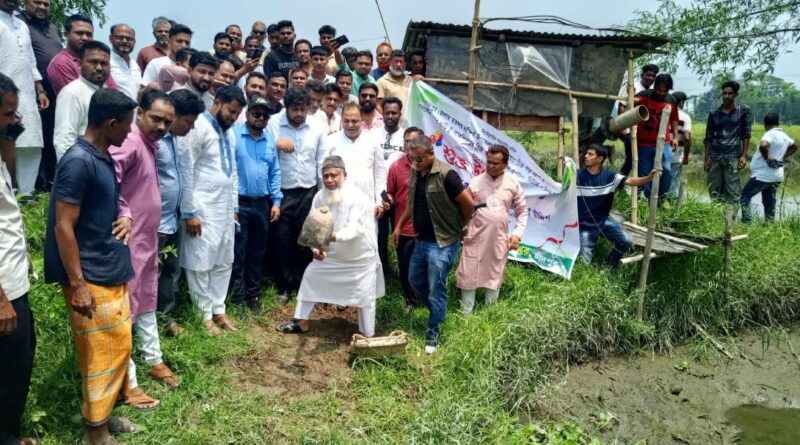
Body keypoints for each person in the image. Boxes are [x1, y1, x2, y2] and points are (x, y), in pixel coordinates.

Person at [43, 88, 140, 445]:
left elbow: (110, 205)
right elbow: (62, 226)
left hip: (108, 265)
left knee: (118, 346)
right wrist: (78, 285)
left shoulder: (101, 156)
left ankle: (105, 413)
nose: (130, 132)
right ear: (111, 123)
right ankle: (94, 432)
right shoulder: (78, 161)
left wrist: (125, 218)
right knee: (100, 352)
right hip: (89, 274)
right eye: (127, 126)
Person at [110, 90, 181, 404]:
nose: (162, 126)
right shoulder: (129, 142)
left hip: (147, 241)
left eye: (167, 121)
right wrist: (123, 212)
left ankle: (153, 360)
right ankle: (128, 381)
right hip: (127, 242)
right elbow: (107, 180)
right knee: (126, 309)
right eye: (156, 118)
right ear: (140, 113)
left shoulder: (151, 144)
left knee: (147, 301)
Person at [275, 155, 384, 336]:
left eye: (334, 175)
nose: (330, 180)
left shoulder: (358, 198)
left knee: (365, 297)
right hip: (331, 256)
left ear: (345, 175)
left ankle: (368, 335)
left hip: (360, 258)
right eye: (325, 176)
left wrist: (331, 237)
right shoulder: (319, 196)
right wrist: (316, 249)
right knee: (310, 275)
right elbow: (314, 226)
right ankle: (301, 321)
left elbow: (355, 230)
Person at [393, 134, 474, 354]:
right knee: (413, 279)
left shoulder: (448, 175)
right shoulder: (415, 172)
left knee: (436, 289)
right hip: (421, 240)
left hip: (443, 242)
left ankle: (433, 333)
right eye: (412, 158)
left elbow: (469, 204)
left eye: (419, 158)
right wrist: (400, 225)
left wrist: (461, 226)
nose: (414, 162)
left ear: (431, 154)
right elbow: (413, 204)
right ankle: (437, 311)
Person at [179, 85, 244, 335]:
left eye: (237, 114)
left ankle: (219, 309)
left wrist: (235, 207)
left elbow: (233, 172)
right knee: (200, 262)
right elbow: (186, 169)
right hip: (202, 208)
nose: (233, 117)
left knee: (223, 261)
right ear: (216, 103)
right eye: (230, 111)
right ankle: (203, 315)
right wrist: (189, 211)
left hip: (225, 209)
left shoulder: (230, 133)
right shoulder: (198, 129)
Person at [0, 73, 37, 445]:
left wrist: (8, 137)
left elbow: (10, 184)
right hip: (2, 291)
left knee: (20, 361)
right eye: (9, 114)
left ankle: (9, 432)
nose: (16, 119)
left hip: (14, 280)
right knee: (9, 367)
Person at [266, 87, 327, 304]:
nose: (299, 113)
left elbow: (321, 161)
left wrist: (322, 195)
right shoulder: (273, 123)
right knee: (281, 240)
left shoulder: (318, 126)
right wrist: (275, 144)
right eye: (294, 109)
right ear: (287, 107)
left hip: (308, 191)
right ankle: (284, 286)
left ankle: (303, 284)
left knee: (305, 240)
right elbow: (264, 152)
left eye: (303, 109)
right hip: (282, 192)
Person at [156, 89, 205, 338]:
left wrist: (186, 211)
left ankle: (165, 320)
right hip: (153, 223)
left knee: (170, 272)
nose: (191, 127)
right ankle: (144, 327)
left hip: (172, 219)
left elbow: (181, 177)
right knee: (149, 276)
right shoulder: (151, 141)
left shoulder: (175, 140)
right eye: (189, 121)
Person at [456, 145, 528, 314]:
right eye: (488, 162)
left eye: (496, 163)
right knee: (469, 272)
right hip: (475, 237)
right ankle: (465, 315)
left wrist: (517, 234)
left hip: (499, 239)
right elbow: (463, 207)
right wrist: (462, 228)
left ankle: (491, 314)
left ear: (505, 164)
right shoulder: (475, 182)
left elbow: (523, 211)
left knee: (494, 273)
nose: (491, 166)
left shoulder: (513, 184)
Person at [230, 97, 282, 317]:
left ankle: (254, 296)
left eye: (265, 115)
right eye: (257, 114)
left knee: (257, 252)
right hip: (239, 204)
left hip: (262, 204)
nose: (261, 118)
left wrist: (276, 202)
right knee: (239, 252)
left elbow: (275, 172)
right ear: (247, 114)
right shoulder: (234, 136)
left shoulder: (269, 140)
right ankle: (238, 299)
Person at [577, 144, 656, 266]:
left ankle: (608, 266)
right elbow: (561, 188)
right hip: (584, 225)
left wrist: (649, 178)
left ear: (600, 159)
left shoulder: (610, 176)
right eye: (586, 154)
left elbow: (630, 181)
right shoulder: (577, 175)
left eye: (590, 154)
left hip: (603, 221)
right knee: (583, 264)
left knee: (626, 241)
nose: (586, 156)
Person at [0, 0, 47, 199]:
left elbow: (30, 60)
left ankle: (27, 195)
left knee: (31, 142)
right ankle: (6, 194)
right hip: (3, 96)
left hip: (27, 94)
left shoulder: (22, 25)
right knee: (6, 140)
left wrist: (40, 89)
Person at [17, 0, 63, 193]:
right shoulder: (18, 23)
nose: (42, 7)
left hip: (54, 93)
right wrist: (39, 89)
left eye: (46, 4)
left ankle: (51, 184)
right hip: (29, 92)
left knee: (52, 136)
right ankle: (36, 187)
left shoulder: (53, 27)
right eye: (37, 2)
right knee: (33, 139)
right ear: (26, 3)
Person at [53, 40, 114, 161]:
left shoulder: (107, 93)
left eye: (104, 63)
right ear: (80, 64)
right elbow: (64, 140)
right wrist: (73, 173)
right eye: (93, 62)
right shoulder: (73, 92)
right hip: (83, 169)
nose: (99, 68)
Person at [326, 102, 386, 216]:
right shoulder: (331, 141)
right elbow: (324, 174)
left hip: (367, 205)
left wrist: (379, 202)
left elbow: (380, 174)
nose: (350, 125)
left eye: (354, 121)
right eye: (346, 121)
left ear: (362, 119)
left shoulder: (373, 142)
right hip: (338, 204)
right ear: (341, 120)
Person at [386, 127, 422, 311]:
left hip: (426, 229)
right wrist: (388, 200)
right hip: (404, 227)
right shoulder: (396, 167)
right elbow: (391, 192)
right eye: (406, 141)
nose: (409, 145)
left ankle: (426, 299)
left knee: (427, 266)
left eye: (413, 141)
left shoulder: (431, 166)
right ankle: (410, 300)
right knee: (405, 265)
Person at [741, 112, 798, 223]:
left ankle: (746, 222)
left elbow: (763, 145)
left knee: (745, 195)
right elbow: (795, 146)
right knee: (769, 200)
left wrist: (768, 158)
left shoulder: (769, 134)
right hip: (776, 176)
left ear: (765, 124)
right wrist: (782, 157)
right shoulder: (784, 135)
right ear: (778, 123)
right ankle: (769, 223)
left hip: (763, 175)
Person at [704, 80, 753, 205]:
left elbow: (746, 134)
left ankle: (730, 222)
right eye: (724, 93)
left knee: (733, 192)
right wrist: (706, 159)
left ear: (736, 94)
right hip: (715, 156)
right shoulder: (714, 114)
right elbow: (708, 137)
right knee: (714, 191)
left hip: (733, 156)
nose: (726, 96)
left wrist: (744, 155)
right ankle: (718, 220)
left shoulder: (743, 111)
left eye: (730, 93)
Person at [47, 14, 119, 96]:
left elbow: (114, 91)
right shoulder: (60, 63)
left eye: (89, 34)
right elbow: (78, 96)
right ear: (66, 35)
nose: (85, 38)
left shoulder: (99, 61)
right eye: (79, 33)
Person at [633, 73, 678, 199]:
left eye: (665, 91)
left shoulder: (671, 100)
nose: (662, 93)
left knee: (666, 169)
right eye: (659, 90)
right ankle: (647, 198)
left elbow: (674, 119)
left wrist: (675, 137)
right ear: (655, 86)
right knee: (645, 172)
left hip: (664, 142)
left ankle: (662, 196)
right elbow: (631, 103)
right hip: (644, 143)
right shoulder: (644, 96)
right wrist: (630, 95)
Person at [374, 96, 405, 276]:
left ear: (400, 114)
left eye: (394, 113)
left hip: (400, 197)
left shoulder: (406, 136)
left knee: (401, 236)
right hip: (378, 195)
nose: (391, 116)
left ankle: (403, 272)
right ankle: (381, 271)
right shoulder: (371, 136)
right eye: (387, 113)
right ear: (382, 114)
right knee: (379, 235)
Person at [140, 23, 193, 90]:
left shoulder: (194, 67)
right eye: (179, 41)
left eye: (187, 43)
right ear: (169, 41)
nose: (183, 45)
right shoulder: (155, 64)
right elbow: (141, 94)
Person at [668, 91, 691, 199]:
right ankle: (671, 207)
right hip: (676, 156)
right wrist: (686, 156)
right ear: (681, 102)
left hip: (661, 154)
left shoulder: (665, 113)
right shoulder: (685, 117)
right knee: (674, 183)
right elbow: (687, 137)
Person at [109, 23, 142, 101]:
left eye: (129, 39)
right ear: (111, 39)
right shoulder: (106, 61)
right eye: (120, 37)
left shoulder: (135, 65)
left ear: (134, 42)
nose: (124, 41)